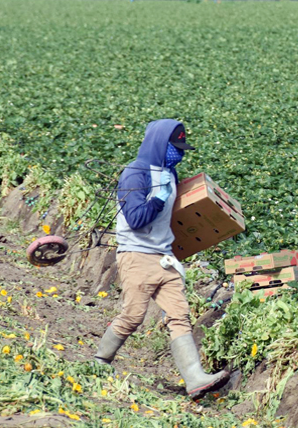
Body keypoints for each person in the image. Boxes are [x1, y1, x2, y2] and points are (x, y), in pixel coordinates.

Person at [93, 119, 229, 400]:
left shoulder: (171, 174)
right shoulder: (135, 174)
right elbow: (135, 219)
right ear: (159, 144)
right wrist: (157, 200)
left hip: (165, 257)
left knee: (180, 316)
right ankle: (99, 363)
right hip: (136, 255)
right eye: (174, 147)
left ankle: (194, 378)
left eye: (181, 148)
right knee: (133, 316)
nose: (179, 153)